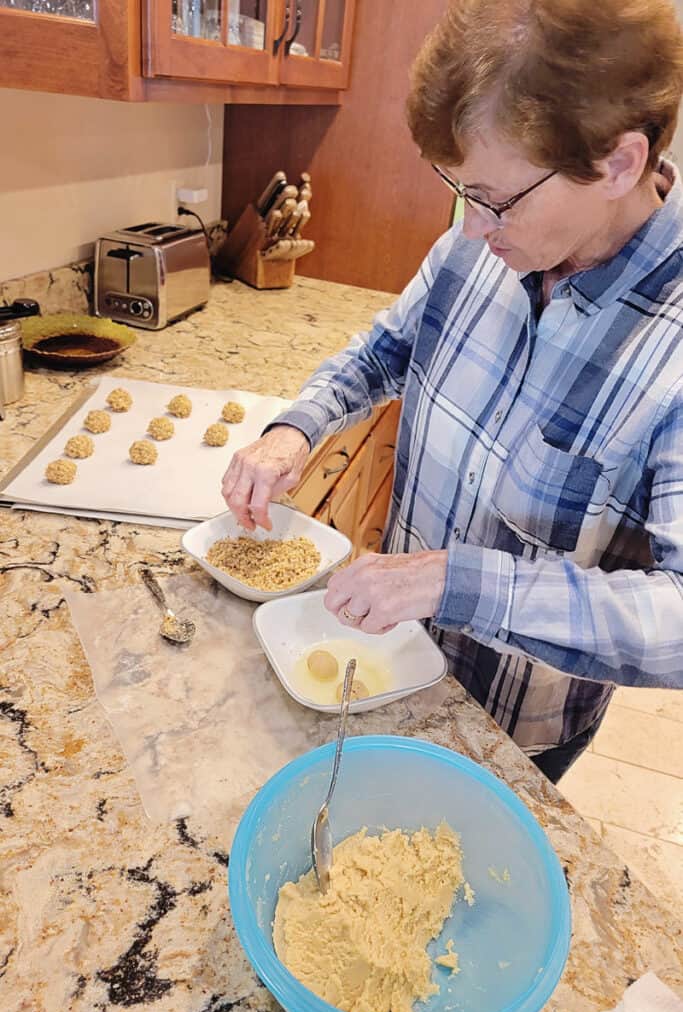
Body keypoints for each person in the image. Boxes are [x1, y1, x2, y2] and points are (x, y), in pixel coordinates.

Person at [222, 0, 683, 783]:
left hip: (513, 733)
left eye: (495, 198)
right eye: (458, 190)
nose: (469, 229)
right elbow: (384, 350)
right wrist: (293, 430)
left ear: (618, 163)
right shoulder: (480, 243)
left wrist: (452, 581)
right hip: (384, 666)